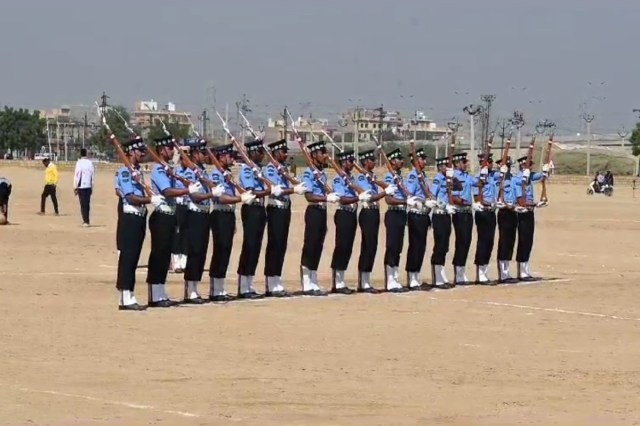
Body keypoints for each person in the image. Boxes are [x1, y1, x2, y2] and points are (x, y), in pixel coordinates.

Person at [145, 136, 200, 308]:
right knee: (159, 256)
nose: (172, 152)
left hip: (170, 215)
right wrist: (186, 190)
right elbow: (167, 191)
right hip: (161, 215)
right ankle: (155, 293)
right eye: (169, 149)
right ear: (162, 150)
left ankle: (160, 291)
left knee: (165, 256)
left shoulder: (168, 169)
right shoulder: (159, 170)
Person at [115, 136, 164, 311]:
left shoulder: (136, 171)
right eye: (139, 151)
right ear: (130, 152)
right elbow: (130, 197)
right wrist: (151, 199)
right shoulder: (125, 172)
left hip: (140, 217)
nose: (142, 154)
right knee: (128, 257)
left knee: (134, 257)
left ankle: (129, 294)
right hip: (130, 217)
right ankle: (125, 297)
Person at [208, 144, 256, 301]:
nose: (233, 159)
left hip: (228, 214)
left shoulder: (227, 174)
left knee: (226, 251)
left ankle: (221, 288)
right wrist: (240, 198)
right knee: (220, 250)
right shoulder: (216, 174)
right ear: (221, 157)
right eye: (230, 156)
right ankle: (215, 289)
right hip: (219, 213)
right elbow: (220, 197)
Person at [181, 139, 225, 303]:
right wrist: (211, 194)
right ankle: (190, 289)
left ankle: (196, 287)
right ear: (194, 154)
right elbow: (195, 196)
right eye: (202, 153)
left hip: (205, 213)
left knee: (202, 252)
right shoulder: (189, 172)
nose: (205, 156)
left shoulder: (202, 171)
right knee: (195, 251)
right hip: (194, 213)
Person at [263, 139, 306, 297]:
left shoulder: (282, 169)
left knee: (281, 245)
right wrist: (294, 189)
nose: (286, 154)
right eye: (283, 151)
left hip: (285, 209)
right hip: (275, 208)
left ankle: (277, 279)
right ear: (275, 153)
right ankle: (270, 282)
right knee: (274, 245)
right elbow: (277, 190)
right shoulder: (270, 169)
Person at [300, 140, 340, 295]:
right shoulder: (308, 173)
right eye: (323, 153)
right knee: (310, 245)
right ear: (314, 155)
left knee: (318, 245)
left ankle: (313, 279)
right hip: (314, 211)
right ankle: (306, 282)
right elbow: (309, 196)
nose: (326, 156)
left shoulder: (321, 173)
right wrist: (326, 198)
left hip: (322, 211)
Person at [329, 150, 371, 295]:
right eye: (350, 161)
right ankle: (337, 282)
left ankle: (342, 280)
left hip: (352, 214)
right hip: (343, 213)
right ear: (343, 162)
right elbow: (342, 199)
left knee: (348, 247)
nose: (353, 164)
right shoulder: (338, 179)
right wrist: (359, 198)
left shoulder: (351, 178)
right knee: (341, 246)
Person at [237, 140, 274, 299]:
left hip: (260, 208)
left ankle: (249, 283)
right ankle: (243, 285)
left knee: (256, 247)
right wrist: (270, 191)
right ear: (252, 153)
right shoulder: (246, 170)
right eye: (259, 152)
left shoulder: (259, 170)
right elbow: (251, 191)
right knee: (249, 245)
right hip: (251, 208)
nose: (262, 154)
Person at [355, 150, 395, 293]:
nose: (374, 162)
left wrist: (380, 184)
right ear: (365, 162)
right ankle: (362, 281)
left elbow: (382, 187)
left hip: (375, 212)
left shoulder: (371, 176)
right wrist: (385, 192)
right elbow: (369, 197)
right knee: (368, 245)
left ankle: (367, 279)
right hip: (367, 212)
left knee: (373, 246)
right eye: (371, 160)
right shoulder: (360, 177)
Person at [405, 148, 437, 290]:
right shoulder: (413, 176)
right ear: (415, 161)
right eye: (422, 159)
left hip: (424, 215)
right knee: (415, 246)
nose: (424, 161)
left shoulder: (423, 175)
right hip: (416, 213)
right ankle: (411, 276)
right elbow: (410, 195)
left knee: (422, 247)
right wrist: (424, 202)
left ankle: (416, 274)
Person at [513, 156, 550, 281]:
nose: (531, 168)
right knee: (523, 240)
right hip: (522, 212)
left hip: (530, 212)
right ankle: (521, 271)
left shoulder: (530, 177)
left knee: (528, 241)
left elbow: (542, 178)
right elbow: (521, 201)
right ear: (523, 166)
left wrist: (546, 170)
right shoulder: (518, 180)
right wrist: (536, 204)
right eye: (529, 166)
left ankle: (525, 270)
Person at [382, 148, 412, 292]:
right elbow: (389, 199)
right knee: (392, 247)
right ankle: (389, 280)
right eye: (399, 159)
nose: (402, 161)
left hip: (401, 214)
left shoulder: (400, 177)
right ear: (392, 161)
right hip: (393, 214)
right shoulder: (389, 177)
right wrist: (405, 202)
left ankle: (395, 277)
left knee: (398, 248)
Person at [429, 157, 456, 288]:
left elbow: (459, 187)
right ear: (440, 167)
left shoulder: (447, 179)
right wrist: (444, 206)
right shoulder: (437, 179)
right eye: (446, 166)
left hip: (446, 216)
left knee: (445, 246)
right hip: (439, 215)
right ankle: (437, 276)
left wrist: (452, 178)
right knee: (439, 245)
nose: (447, 168)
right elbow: (433, 196)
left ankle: (441, 272)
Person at [472, 153, 498, 285]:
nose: (491, 164)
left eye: (491, 162)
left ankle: (485, 271)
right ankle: (480, 274)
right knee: (483, 241)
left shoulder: (493, 176)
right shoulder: (477, 178)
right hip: (483, 212)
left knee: (490, 242)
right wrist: (490, 204)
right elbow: (478, 199)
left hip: (492, 212)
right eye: (488, 162)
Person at [450, 153, 475, 285]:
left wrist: (485, 172)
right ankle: (458, 273)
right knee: (461, 241)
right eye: (464, 162)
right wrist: (468, 203)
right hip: (459, 212)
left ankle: (462, 271)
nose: (466, 164)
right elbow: (454, 197)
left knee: (467, 241)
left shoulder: (467, 176)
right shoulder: (454, 177)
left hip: (468, 213)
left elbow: (480, 183)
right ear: (457, 163)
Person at [494, 157, 519, 284]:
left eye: (509, 166)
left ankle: (507, 271)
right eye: (505, 166)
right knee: (504, 241)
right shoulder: (497, 179)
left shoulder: (513, 179)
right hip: (504, 212)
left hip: (513, 211)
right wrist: (500, 175)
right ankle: (503, 273)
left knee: (510, 241)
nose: (508, 168)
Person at [171, 147, 191, 273]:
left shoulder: (191, 172)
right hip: (177, 204)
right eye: (184, 159)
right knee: (177, 233)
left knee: (186, 233)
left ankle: (184, 261)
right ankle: (175, 261)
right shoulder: (175, 171)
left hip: (187, 204)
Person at [73, 148, 95, 226]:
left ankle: (85, 221)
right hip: (88, 186)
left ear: (80, 154)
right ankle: (87, 220)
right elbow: (93, 175)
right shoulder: (90, 163)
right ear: (86, 154)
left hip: (81, 186)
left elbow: (77, 175)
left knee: (83, 204)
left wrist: (75, 186)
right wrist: (92, 186)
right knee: (87, 203)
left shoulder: (79, 163)